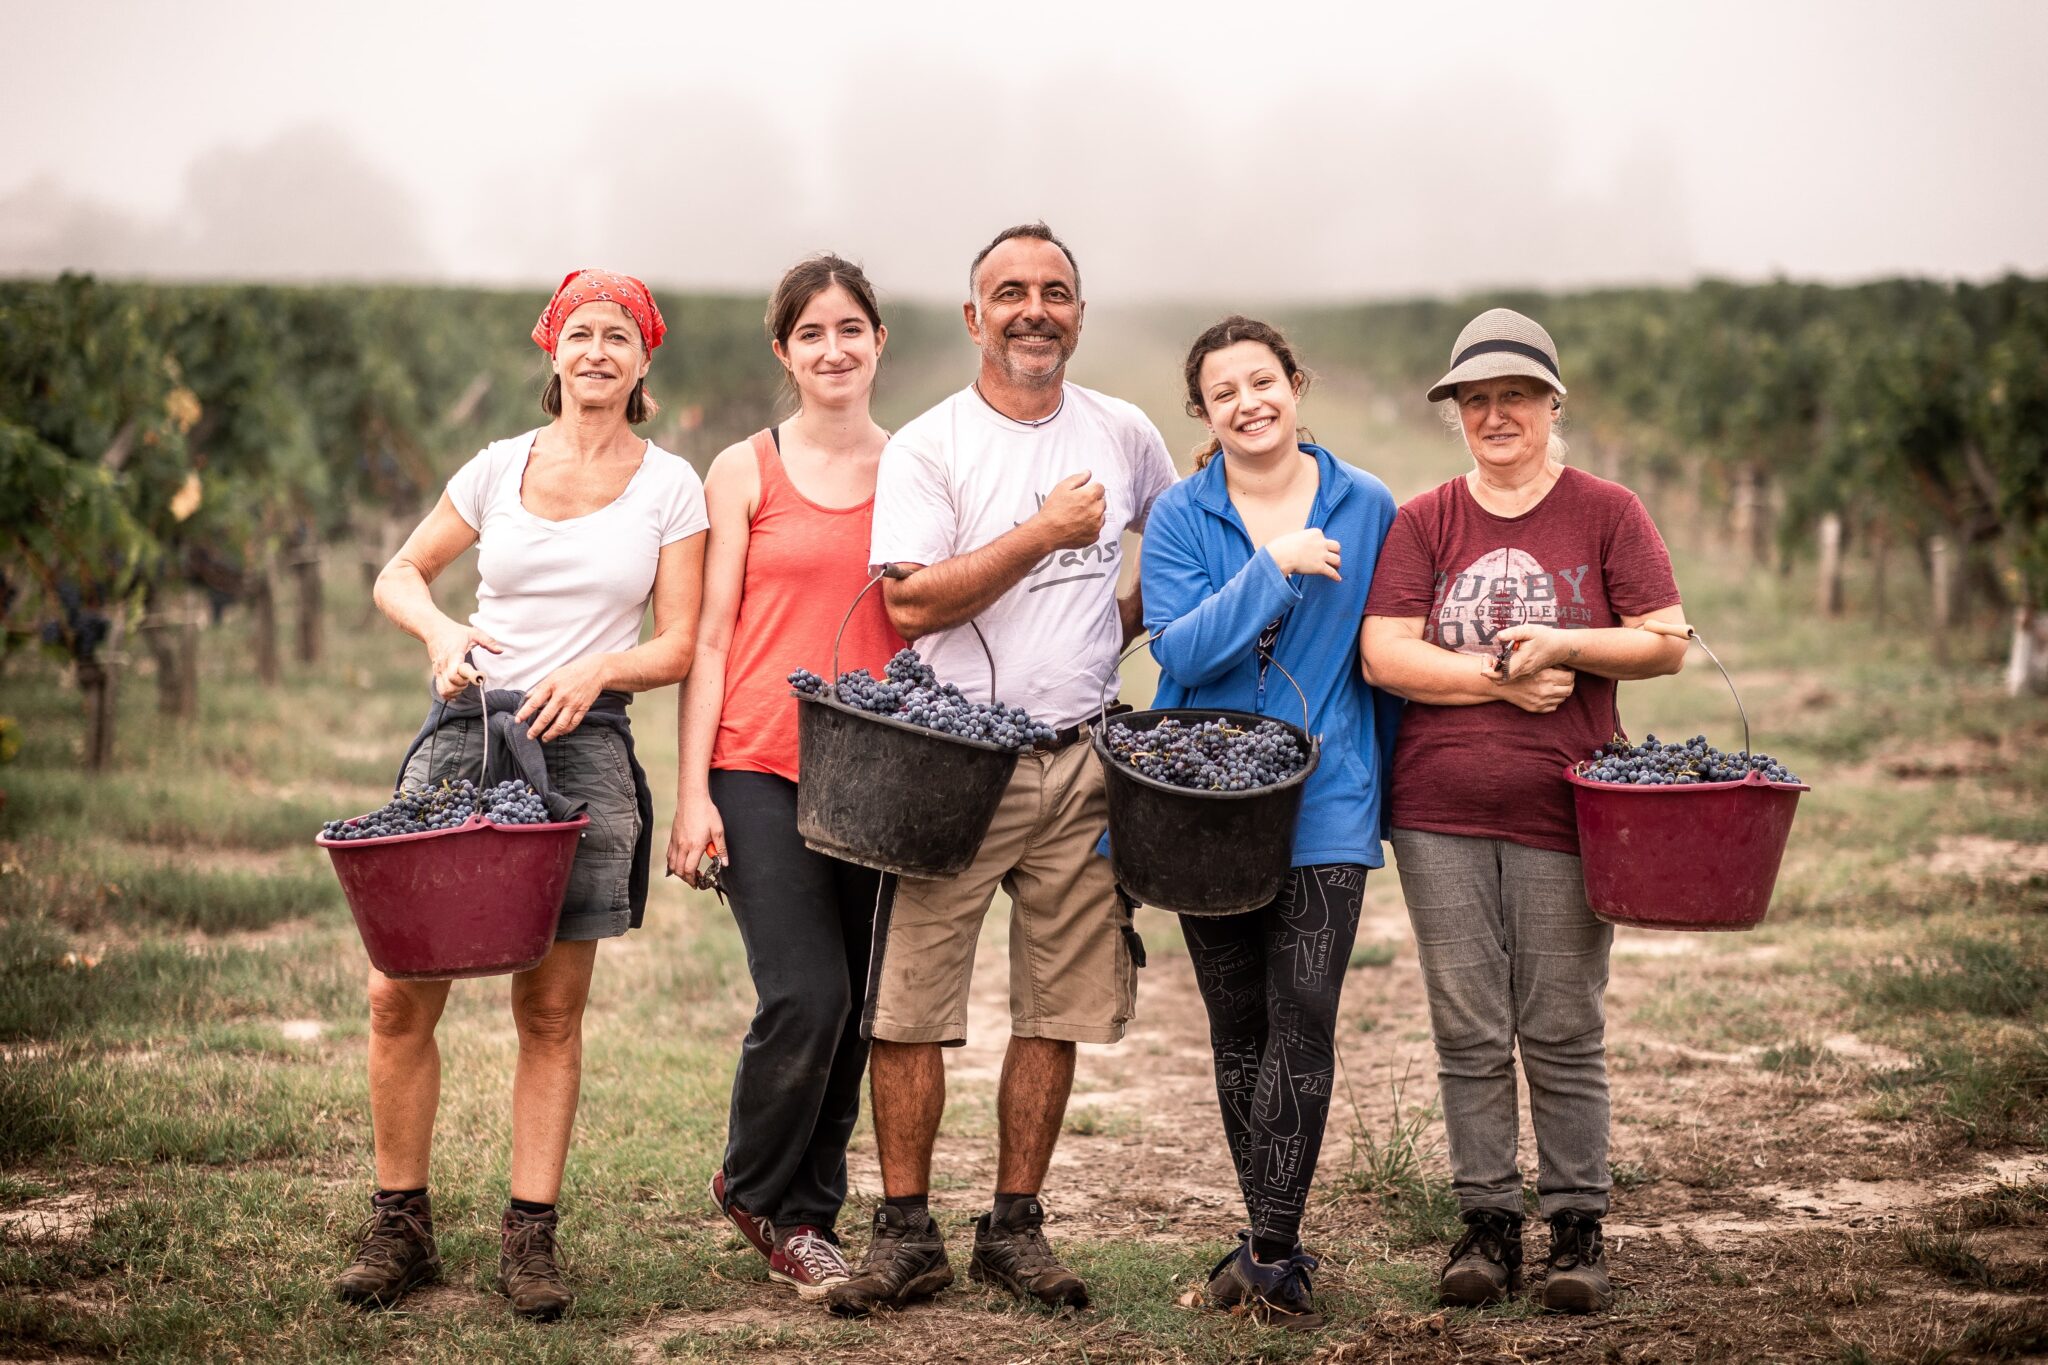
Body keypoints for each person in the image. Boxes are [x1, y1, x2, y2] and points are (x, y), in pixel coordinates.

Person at [339, 269, 707, 1320]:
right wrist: (443, 632)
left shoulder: (668, 485)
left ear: (643, 361)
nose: (597, 350)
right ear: (553, 350)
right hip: (466, 736)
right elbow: (399, 573)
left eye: (618, 336)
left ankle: (529, 1239)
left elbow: (679, 642)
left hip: (582, 742)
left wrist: (599, 669)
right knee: (397, 987)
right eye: (580, 332)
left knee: (549, 1004)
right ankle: (399, 1224)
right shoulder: (497, 469)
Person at [825, 223, 1178, 1318]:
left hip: (1082, 761)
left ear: (1079, 312)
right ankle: (904, 1233)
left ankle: (1013, 1229)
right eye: (1009, 292)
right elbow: (910, 602)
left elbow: (1176, 556)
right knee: (910, 1008)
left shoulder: (1122, 432)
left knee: (1056, 1004)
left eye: (1056, 292)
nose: (1036, 309)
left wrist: (1112, 626)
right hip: (952, 768)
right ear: (973, 317)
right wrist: (1041, 535)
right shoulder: (930, 447)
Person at [1359, 309, 1687, 1314]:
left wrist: (1559, 643)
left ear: (1552, 403)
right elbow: (1382, 653)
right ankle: (1486, 1226)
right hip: (1435, 811)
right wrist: (1496, 683)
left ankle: (1576, 1229)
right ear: (1456, 413)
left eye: (1512, 395)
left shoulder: (1605, 512)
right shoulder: (1424, 520)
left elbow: (1664, 639)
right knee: (1465, 1025)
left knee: (1558, 1023)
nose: (1493, 414)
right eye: (1473, 399)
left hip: (1566, 805)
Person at [1137, 317, 1400, 1330]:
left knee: (1303, 1013)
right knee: (1236, 1026)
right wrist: (1274, 564)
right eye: (1223, 392)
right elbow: (1184, 651)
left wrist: (1389, 786)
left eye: (1263, 381)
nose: (1247, 403)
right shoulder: (1180, 515)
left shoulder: (1364, 503)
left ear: (1295, 385)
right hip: (1201, 805)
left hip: (1324, 800)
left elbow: (1383, 653)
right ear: (1202, 413)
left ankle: (1271, 1247)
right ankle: (1269, 1240)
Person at [665, 255, 903, 1301]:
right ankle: (751, 1184)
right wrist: (690, 793)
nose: (833, 349)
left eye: (850, 328)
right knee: (805, 994)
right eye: (811, 333)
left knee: (862, 1008)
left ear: (878, 341)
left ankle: (809, 1217)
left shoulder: (916, 465)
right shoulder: (743, 467)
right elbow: (709, 640)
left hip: (881, 773)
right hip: (758, 760)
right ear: (783, 351)